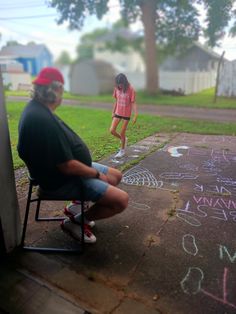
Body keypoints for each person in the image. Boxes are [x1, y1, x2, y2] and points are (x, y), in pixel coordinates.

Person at [17, 67, 129, 244]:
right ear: (55, 90)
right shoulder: (41, 119)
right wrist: (97, 174)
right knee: (121, 200)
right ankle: (75, 222)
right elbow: (67, 166)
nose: (62, 94)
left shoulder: (38, 109)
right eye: (61, 89)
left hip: (67, 169)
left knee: (116, 176)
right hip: (61, 180)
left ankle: (76, 208)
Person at [110, 73, 138, 158]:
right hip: (118, 112)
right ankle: (124, 140)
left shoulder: (131, 89)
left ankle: (122, 150)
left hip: (126, 114)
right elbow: (116, 101)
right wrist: (113, 111)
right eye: (118, 84)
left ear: (124, 82)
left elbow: (133, 103)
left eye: (121, 84)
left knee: (122, 132)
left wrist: (135, 115)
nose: (120, 85)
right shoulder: (116, 88)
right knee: (112, 130)